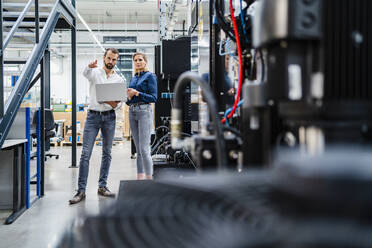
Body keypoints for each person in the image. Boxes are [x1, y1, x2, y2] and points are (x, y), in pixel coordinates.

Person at [69, 48, 125, 204]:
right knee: (85, 153)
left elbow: (119, 104)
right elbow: (85, 73)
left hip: (109, 117)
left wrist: (112, 103)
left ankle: (102, 186)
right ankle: (81, 191)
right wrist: (89, 66)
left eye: (114, 59)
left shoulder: (119, 79)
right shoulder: (95, 73)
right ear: (104, 58)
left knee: (107, 152)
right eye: (109, 58)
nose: (111, 62)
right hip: (93, 116)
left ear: (116, 60)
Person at [127, 52, 157, 180]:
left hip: (144, 111)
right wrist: (128, 98)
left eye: (140, 59)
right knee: (138, 149)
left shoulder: (150, 76)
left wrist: (137, 93)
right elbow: (129, 100)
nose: (138, 62)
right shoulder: (133, 78)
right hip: (132, 111)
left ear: (145, 62)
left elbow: (154, 98)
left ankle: (149, 179)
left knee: (144, 149)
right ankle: (140, 178)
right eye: (135, 60)